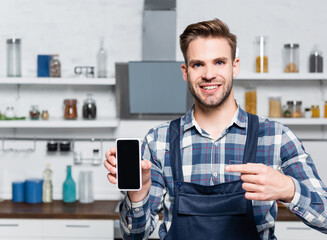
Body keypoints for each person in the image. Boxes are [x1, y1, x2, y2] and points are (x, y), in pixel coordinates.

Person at [104, 19, 327, 240]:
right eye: (198, 64)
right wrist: (138, 195)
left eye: (219, 62)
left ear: (235, 66)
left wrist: (290, 190)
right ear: (185, 72)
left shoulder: (276, 137)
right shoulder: (158, 141)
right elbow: (134, 235)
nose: (209, 74)